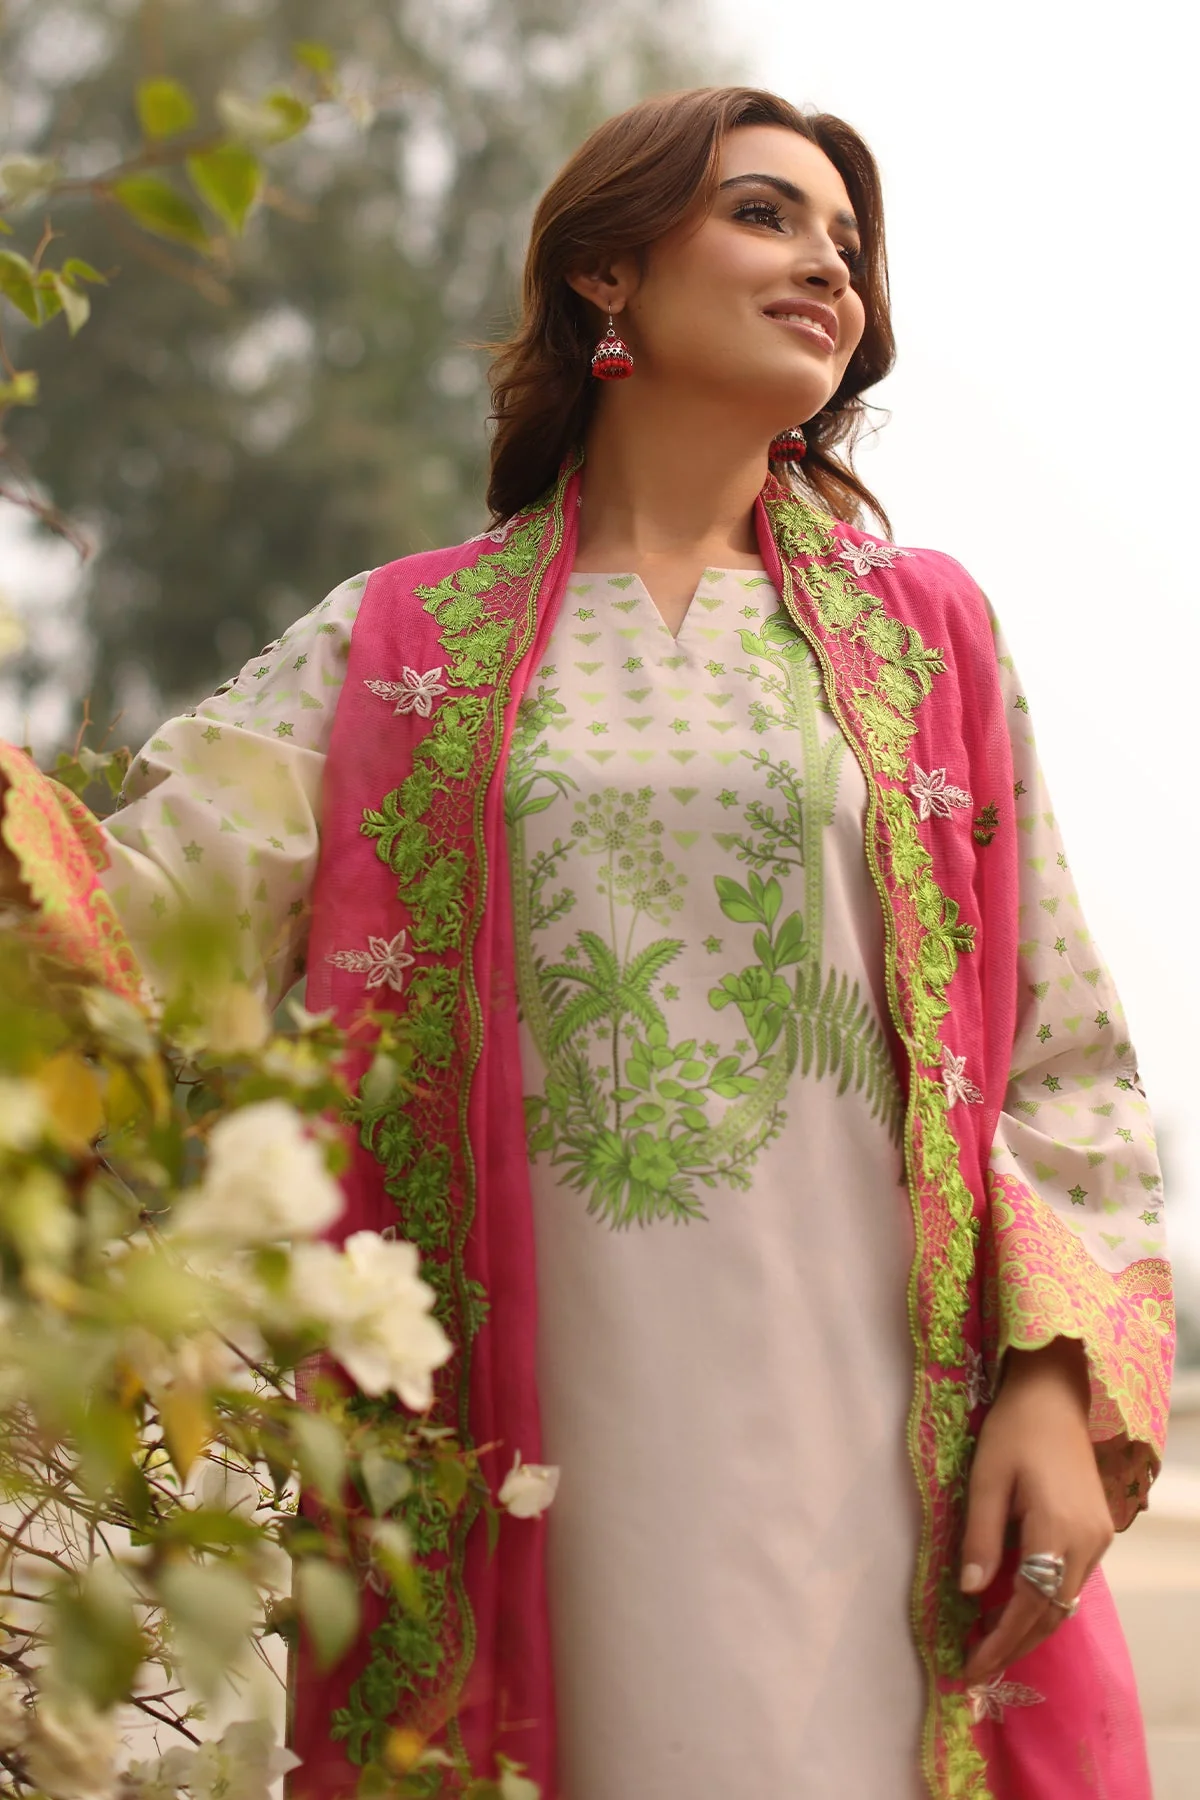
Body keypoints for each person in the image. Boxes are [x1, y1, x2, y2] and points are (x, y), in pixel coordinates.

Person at [0, 85, 1173, 1800]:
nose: (829, 269)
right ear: (605, 271)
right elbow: (135, 922)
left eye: (849, 245)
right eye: (766, 215)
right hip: (529, 1458)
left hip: (872, 1455)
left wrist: (1056, 1385)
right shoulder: (403, 638)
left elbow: (1062, 1055)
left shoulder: (927, 638)